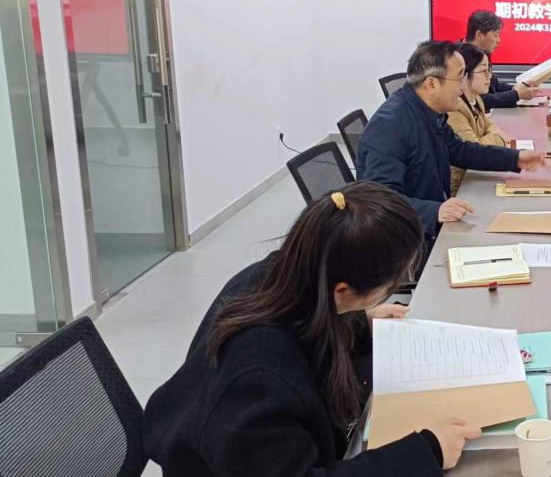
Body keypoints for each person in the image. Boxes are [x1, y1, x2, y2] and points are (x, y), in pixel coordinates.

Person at [145, 182, 482, 475]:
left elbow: (310, 320)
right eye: (390, 283)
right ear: (343, 291)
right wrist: (427, 451)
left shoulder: (282, 275)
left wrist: (359, 322)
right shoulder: (259, 381)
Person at [357, 40, 547, 239]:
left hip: (431, 226)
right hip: (407, 239)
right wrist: (435, 211)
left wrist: (515, 158)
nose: (464, 86)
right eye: (459, 78)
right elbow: (378, 199)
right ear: (432, 83)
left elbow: (459, 151)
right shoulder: (390, 126)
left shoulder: (428, 111)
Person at [448, 43, 510, 193]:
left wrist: (491, 137)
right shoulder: (454, 108)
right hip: (460, 189)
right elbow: (474, 149)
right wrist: (500, 138)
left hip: (476, 177)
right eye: (483, 71)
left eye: (489, 70)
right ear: (464, 74)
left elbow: (490, 126)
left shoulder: (476, 99)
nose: (489, 77)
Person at [465, 10, 541, 109]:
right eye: (496, 35)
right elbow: (476, 100)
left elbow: (494, 86)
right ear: (479, 35)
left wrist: (515, 88)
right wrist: (516, 95)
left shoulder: (482, 54)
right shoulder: (459, 59)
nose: (499, 40)